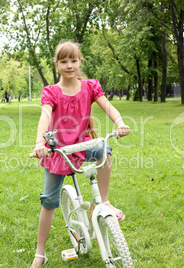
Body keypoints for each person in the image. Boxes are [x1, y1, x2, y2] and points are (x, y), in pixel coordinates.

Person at [31, 41, 130, 267]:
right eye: (64, 61)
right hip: (58, 151)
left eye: (73, 60)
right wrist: (40, 142)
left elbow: (108, 106)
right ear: (57, 64)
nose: (69, 65)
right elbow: (44, 116)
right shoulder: (51, 92)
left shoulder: (90, 87)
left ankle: (103, 202)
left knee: (105, 150)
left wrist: (120, 122)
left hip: (82, 144)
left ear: (80, 62)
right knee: (49, 202)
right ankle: (40, 252)